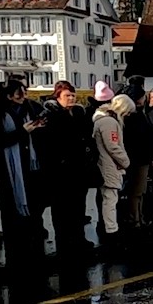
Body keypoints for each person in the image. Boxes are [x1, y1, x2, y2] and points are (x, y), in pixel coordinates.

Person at [38, 81, 95, 259]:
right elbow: (47, 144)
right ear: (58, 97)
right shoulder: (50, 115)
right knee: (62, 208)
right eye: (67, 96)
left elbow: (86, 135)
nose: (71, 98)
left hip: (79, 167)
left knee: (79, 206)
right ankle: (64, 242)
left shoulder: (78, 112)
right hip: (60, 170)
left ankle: (79, 239)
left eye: (72, 95)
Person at [0, 80, 42, 265]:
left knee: (33, 203)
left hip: (29, 163)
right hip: (8, 167)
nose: (24, 95)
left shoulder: (29, 108)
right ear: (9, 96)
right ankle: (15, 245)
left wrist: (37, 128)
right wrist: (21, 132)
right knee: (10, 204)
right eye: (19, 93)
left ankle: (31, 239)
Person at [92, 95, 134, 245]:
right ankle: (112, 232)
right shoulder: (109, 122)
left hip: (105, 164)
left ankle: (110, 230)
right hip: (109, 166)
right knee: (110, 200)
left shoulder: (102, 120)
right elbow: (113, 146)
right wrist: (126, 162)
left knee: (107, 199)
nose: (128, 115)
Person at [122, 89, 153, 230]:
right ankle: (136, 220)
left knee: (138, 191)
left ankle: (138, 218)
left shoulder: (136, 116)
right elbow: (145, 138)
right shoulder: (137, 117)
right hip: (139, 159)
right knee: (137, 191)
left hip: (139, 158)